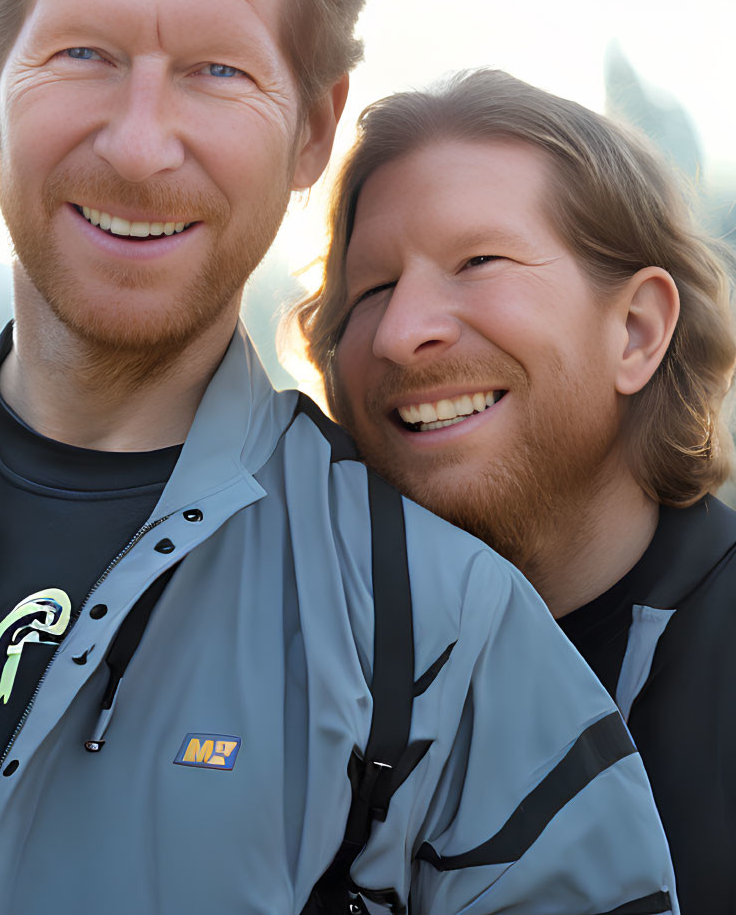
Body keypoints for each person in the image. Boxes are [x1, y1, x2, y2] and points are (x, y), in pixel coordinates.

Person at [0, 0, 678, 915]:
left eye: (217, 70)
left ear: (312, 128)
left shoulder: (449, 645)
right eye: (85, 53)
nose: (142, 146)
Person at [299, 67, 736, 913]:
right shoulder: (282, 642)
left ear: (636, 332)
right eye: (373, 289)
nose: (399, 332)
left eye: (477, 261)